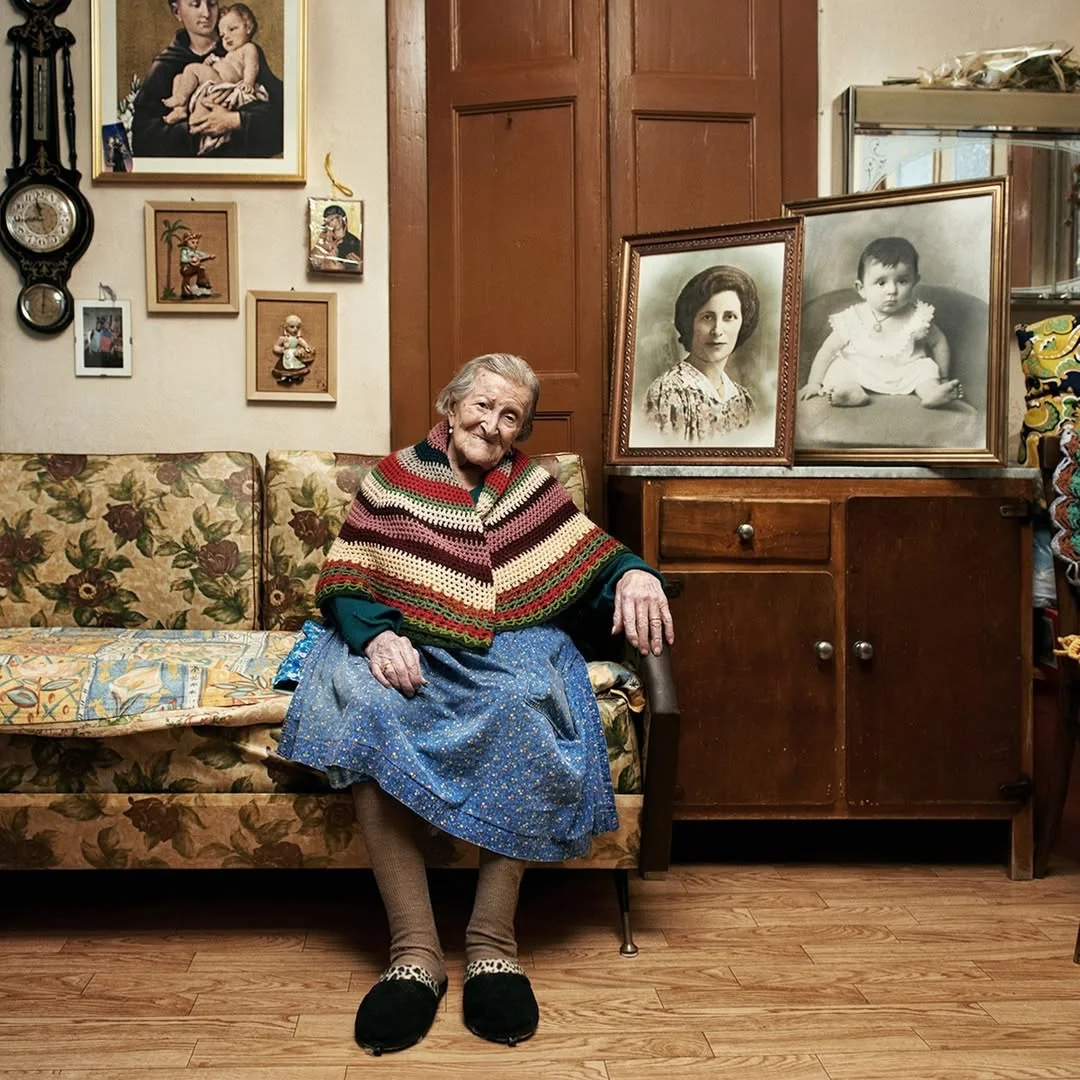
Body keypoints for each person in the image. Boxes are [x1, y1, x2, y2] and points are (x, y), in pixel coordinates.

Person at [275, 353, 674, 1054]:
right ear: (452, 404)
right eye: (483, 406)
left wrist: (637, 573)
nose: (492, 425)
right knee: (363, 708)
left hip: (508, 642)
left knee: (527, 703)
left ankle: (493, 943)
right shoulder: (393, 477)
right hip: (403, 640)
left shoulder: (532, 488)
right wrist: (374, 638)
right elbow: (346, 580)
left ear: (520, 429)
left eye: (510, 415)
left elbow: (592, 563)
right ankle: (415, 956)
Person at [799, 236, 963, 408]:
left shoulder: (918, 317)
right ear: (861, 289)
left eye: (902, 281)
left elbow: (939, 342)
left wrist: (944, 377)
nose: (892, 290)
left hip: (905, 371)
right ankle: (851, 392)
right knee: (840, 368)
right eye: (881, 283)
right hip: (862, 370)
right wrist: (814, 383)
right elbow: (828, 350)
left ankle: (932, 392)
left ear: (915, 281)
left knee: (926, 370)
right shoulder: (853, 318)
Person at [132, 0, 283, 159]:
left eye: (212, 4)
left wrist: (235, 120)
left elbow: (284, 116)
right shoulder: (165, 65)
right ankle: (180, 108)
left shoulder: (242, 49)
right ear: (177, 12)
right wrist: (197, 129)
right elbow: (143, 141)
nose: (206, 13)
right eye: (195, 4)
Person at [643, 265, 759, 441]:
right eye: (707, 317)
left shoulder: (742, 399)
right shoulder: (668, 393)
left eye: (729, 317)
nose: (717, 330)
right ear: (690, 323)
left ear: (743, 322)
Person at [161, 3, 264, 131]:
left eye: (232, 29)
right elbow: (228, 64)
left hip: (221, 81)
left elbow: (251, 66)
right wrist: (210, 63)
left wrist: (248, 82)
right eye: (222, 35)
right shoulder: (230, 54)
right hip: (213, 80)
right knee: (179, 78)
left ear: (248, 27)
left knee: (191, 69)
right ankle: (180, 110)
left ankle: (181, 99)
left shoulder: (249, 48)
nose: (226, 37)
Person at [310, 204, 362, 273]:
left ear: (340, 219)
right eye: (326, 220)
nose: (327, 223)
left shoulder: (354, 242)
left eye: (331, 219)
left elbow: (357, 266)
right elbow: (313, 261)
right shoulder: (324, 238)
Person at [271, 314, 314, 384]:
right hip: (287, 355)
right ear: (286, 327)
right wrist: (282, 349)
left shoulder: (298, 339)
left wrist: (307, 347)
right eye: (292, 327)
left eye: (297, 327)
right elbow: (275, 347)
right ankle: (285, 377)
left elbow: (304, 344)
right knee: (286, 366)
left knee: (296, 366)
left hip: (295, 355)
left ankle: (295, 377)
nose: (295, 329)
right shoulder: (283, 338)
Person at [178, 232, 216, 298]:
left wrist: (209, 256)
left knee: (201, 268)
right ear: (186, 242)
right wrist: (190, 260)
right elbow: (183, 260)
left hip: (192, 268)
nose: (195, 245)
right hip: (186, 268)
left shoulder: (195, 251)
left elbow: (202, 254)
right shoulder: (184, 250)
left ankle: (202, 284)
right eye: (193, 242)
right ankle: (186, 293)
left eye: (197, 243)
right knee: (186, 279)